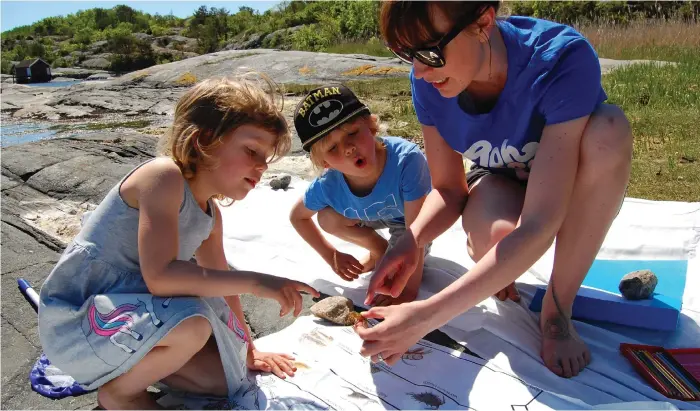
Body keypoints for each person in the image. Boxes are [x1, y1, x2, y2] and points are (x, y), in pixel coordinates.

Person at [359, 1, 633, 378]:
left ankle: (558, 310)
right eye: (406, 54)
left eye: (429, 52)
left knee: (609, 130)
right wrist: (413, 239)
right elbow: (447, 189)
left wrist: (426, 316)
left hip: (570, 178)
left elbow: (540, 221)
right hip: (500, 177)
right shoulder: (428, 84)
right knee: (498, 246)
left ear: (483, 22)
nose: (420, 71)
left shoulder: (559, 58)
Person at [38, 75, 320, 410]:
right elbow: (160, 277)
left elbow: (223, 287)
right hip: (77, 322)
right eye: (251, 150)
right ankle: (119, 393)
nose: (262, 166)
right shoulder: (163, 177)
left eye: (267, 157)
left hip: (126, 317)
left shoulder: (211, 215)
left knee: (223, 379)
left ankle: (128, 374)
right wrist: (259, 281)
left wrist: (249, 349)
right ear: (204, 140)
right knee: (193, 325)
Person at [289, 85, 432, 306]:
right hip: (371, 215)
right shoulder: (329, 184)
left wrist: (408, 290)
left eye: (352, 133)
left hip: (413, 223)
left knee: (397, 277)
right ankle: (378, 249)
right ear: (324, 163)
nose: (348, 148)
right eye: (333, 148)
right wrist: (332, 256)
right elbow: (297, 216)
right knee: (326, 218)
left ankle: (386, 254)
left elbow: (417, 236)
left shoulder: (407, 161)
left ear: (371, 125)